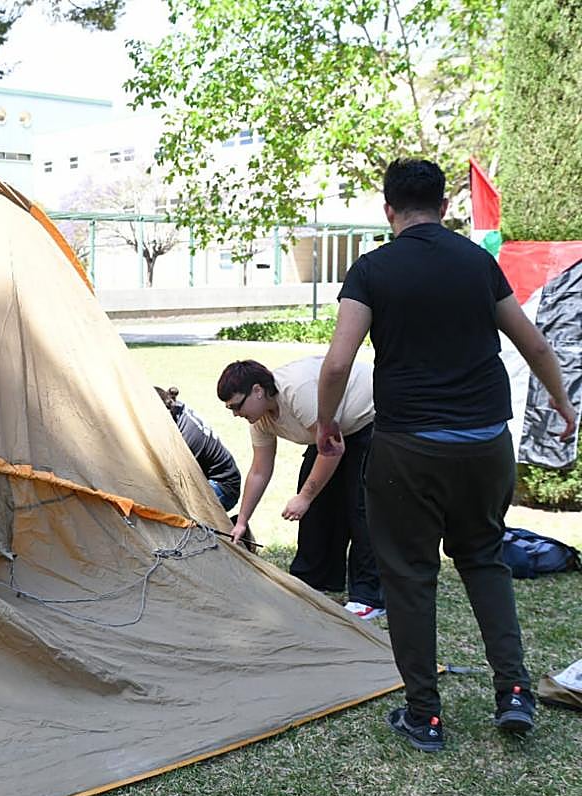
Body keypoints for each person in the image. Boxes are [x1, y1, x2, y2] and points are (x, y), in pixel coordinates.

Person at [316, 158, 577, 753]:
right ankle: (514, 692)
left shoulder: (372, 270)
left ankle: (425, 715)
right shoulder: (477, 263)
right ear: (444, 206)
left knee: (409, 576)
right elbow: (534, 342)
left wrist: (328, 423)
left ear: (389, 210)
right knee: (484, 559)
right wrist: (563, 403)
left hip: (408, 447)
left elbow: (337, 363)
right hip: (487, 442)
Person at [217, 357, 385, 620]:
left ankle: (369, 596)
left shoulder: (298, 393)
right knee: (317, 505)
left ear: (258, 391)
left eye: (237, 406)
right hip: (330, 428)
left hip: (369, 418)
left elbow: (332, 451)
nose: (236, 414)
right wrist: (242, 520)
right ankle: (314, 579)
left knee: (361, 505)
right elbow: (260, 470)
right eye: (231, 409)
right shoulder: (259, 418)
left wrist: (305, 497)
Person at [155, 385, 241, 510]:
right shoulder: (177, 410)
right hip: (214, 479)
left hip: (222, 488)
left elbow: (175, 480)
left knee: (168, 504)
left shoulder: (185, 438)